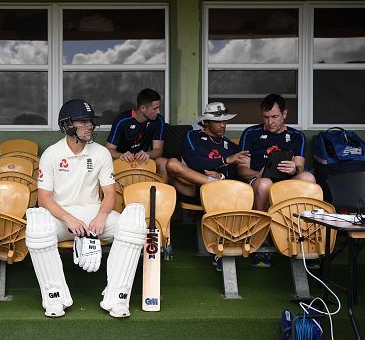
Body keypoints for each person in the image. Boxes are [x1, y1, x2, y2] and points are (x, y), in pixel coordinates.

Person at [27, 99, 146, 319]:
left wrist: (101, 216)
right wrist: (68, 219)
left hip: (93, 212)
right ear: (67, 125)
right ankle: (54, 296)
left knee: (132, 227)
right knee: (38, 230)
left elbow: (110, 193)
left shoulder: (100, 153)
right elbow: (43, 198)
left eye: (90, 121)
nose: (89, 125)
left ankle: (117, 296)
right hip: (61, 216)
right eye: (83, 122)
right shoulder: (51, 154)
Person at [238, 93, 315, 267]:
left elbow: (300, 166)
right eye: (266, 117)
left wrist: (294, 168)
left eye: (274, 117)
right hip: (259, 182)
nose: (270, 122)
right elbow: (242, 169)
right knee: (266, 183)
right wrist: (259, 174)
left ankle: (306, 243)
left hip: (286, 182)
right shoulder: (251, 133)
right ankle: (262, 242)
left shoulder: (296, 136)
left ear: (284, 114)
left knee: (309, 178)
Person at [166, 102, 250, 203]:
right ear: (206, 122)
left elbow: (235, 174)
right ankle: (215, 183)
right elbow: (194, 162)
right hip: (193, 188)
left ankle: (216, 184)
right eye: (217, 122)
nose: (222, 125)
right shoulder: (192, 135)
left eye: (224, 121)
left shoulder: (230, 145)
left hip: (218, 193)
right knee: (172, 163)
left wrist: (221, 176)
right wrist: (225, 160)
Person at [106, 88, 168, 180]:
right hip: (123, 159)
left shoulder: (158, 120)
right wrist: (121, 155)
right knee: (106, 161)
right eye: (155, 108)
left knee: (162, 162)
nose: (158, 111)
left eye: (158, 108)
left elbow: (158, 150)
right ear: (143, 108)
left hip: (145, 159)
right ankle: (110, 193)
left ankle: (163, 193)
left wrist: (148, 154)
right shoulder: (122, 120)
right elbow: (108, 149)